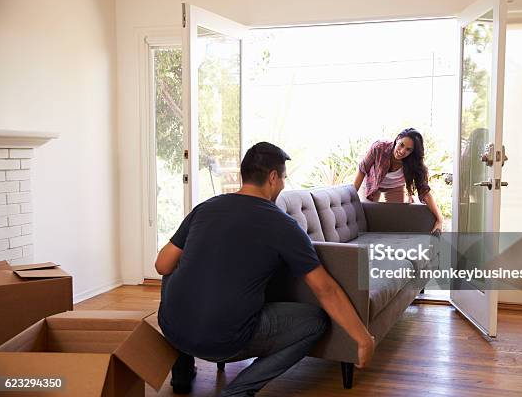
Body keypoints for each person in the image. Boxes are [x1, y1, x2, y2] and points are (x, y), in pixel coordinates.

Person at [156, 142, 375, 396]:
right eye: (283, 178)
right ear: (273, 177)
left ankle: (181, 373)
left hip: (173, 329)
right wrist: (362, 338)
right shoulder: (283, 225)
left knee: (173, 266)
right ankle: (238, 390)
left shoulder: (205, 208)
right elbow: (325, 289)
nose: (282, 185)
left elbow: (161, 265)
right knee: (315, 322)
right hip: (226, 341)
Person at [353, 128, 443, 234]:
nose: (402, 151)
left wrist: (439, 219)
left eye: (408, 149)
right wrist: (351, 198)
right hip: (372, 183)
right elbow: (362, 169)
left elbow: (425, 192)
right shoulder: (379, 147)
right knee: (368, 216)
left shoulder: (413, 163)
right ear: (397, 139)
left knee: (395, 219)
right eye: (401, 145)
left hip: (395, 187)